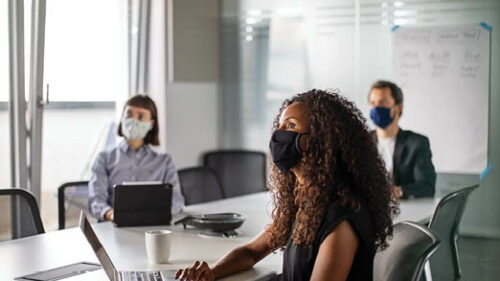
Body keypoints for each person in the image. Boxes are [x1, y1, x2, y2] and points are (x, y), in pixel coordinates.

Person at [175, 89, 397, 281]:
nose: (279, 134)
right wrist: (211, 273)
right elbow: (251, 252)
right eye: (279, 125)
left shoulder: (343, 217)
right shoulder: (305, 199)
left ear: (321, 140)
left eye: (290, 126)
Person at [88, 94, 185, 221]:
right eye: (129, 115)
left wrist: (152, 215)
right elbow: (96, 200)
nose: (133, 120)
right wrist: (111, 214)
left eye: (141, 116)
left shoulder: (164, 162)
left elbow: (176, 202)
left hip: (154, 227)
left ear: (151, 124)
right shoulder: (104, 159)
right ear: (122, 118)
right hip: (114, 226)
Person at [368, 80, 436, 199]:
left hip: (404, 210)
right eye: (373, 103)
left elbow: (427, 186)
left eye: (383, 103)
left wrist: (396, 192)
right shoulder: (362, 142)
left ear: (398, 107)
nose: (376, 108)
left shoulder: (417, 143)